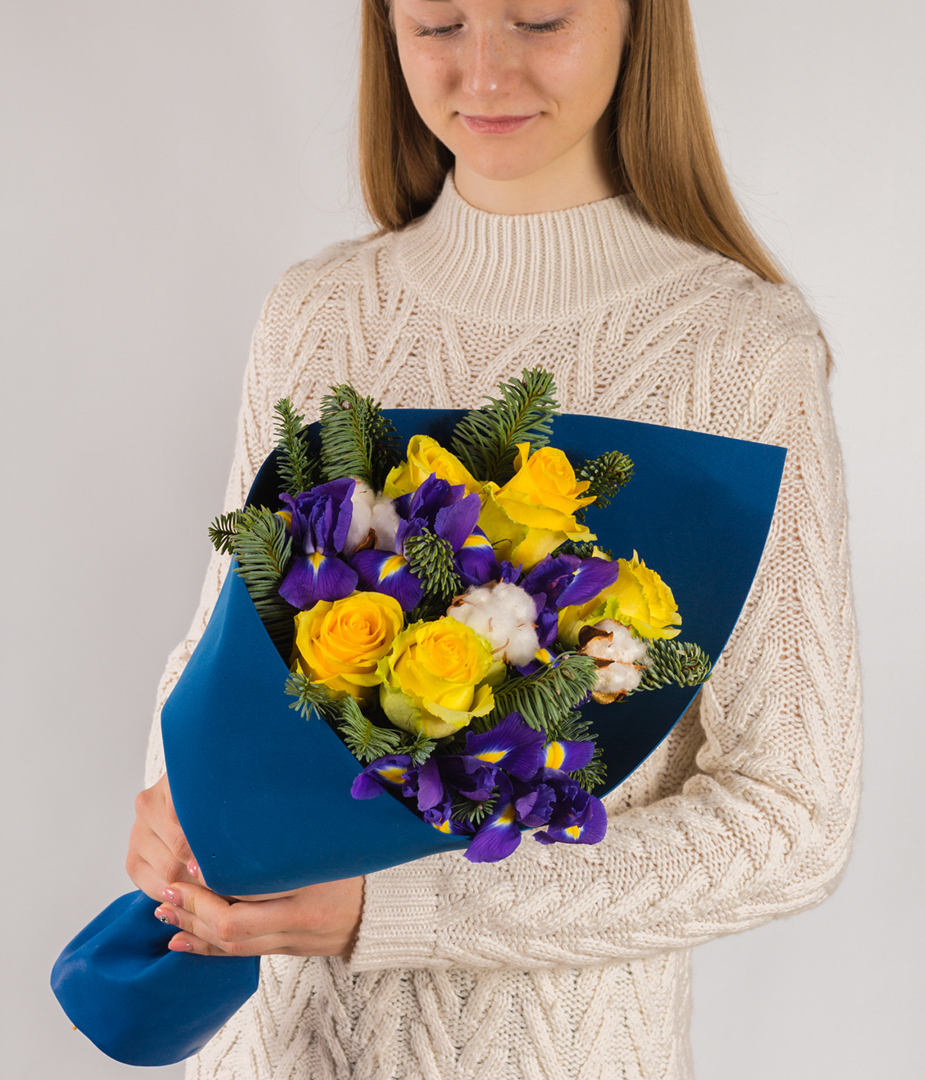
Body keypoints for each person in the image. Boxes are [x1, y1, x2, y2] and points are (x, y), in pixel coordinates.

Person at [125, 1, 862, 1076]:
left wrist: (398, 909)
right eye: (437, 23)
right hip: (273, 1047)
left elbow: (788, 818)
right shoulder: (319, 311)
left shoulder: (739, 352)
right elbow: (222, 648)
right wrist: (170, 799)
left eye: (539, 17)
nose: (484, 69)